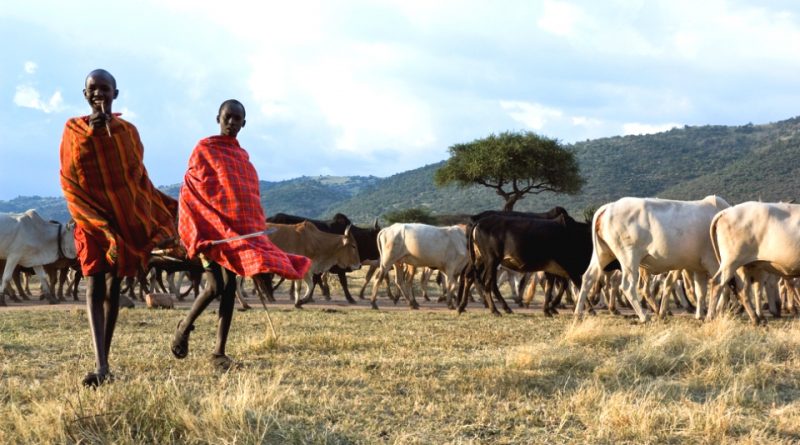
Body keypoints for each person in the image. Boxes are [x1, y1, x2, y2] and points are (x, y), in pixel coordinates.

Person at [60, 69, 178, 387]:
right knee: (94, 286)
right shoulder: (73, 129)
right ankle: (100, 364)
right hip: (90, 221)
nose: (98, 93)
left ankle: (105, 360)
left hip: (124, 221)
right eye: (92, 89)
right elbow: (70, 175)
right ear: (85, 94)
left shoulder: (128, 132)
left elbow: (137, 178)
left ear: (116, 93)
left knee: (113, 288)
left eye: (104, 89)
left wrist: (155, 212)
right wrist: (92, 134)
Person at [172, 99, 310, 369]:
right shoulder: (204, 150)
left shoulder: (242, 158)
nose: (232, 123)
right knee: (215, 286)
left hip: (235, 235)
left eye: (237, 119)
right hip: (211, 232)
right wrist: (200, 227)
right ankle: (184, 327)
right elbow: (191, 191)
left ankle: (219, 353)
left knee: (229, 288)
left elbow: (248, 197)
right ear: (218, 118)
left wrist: (251, 228)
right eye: (228, 117)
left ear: (244, 123)